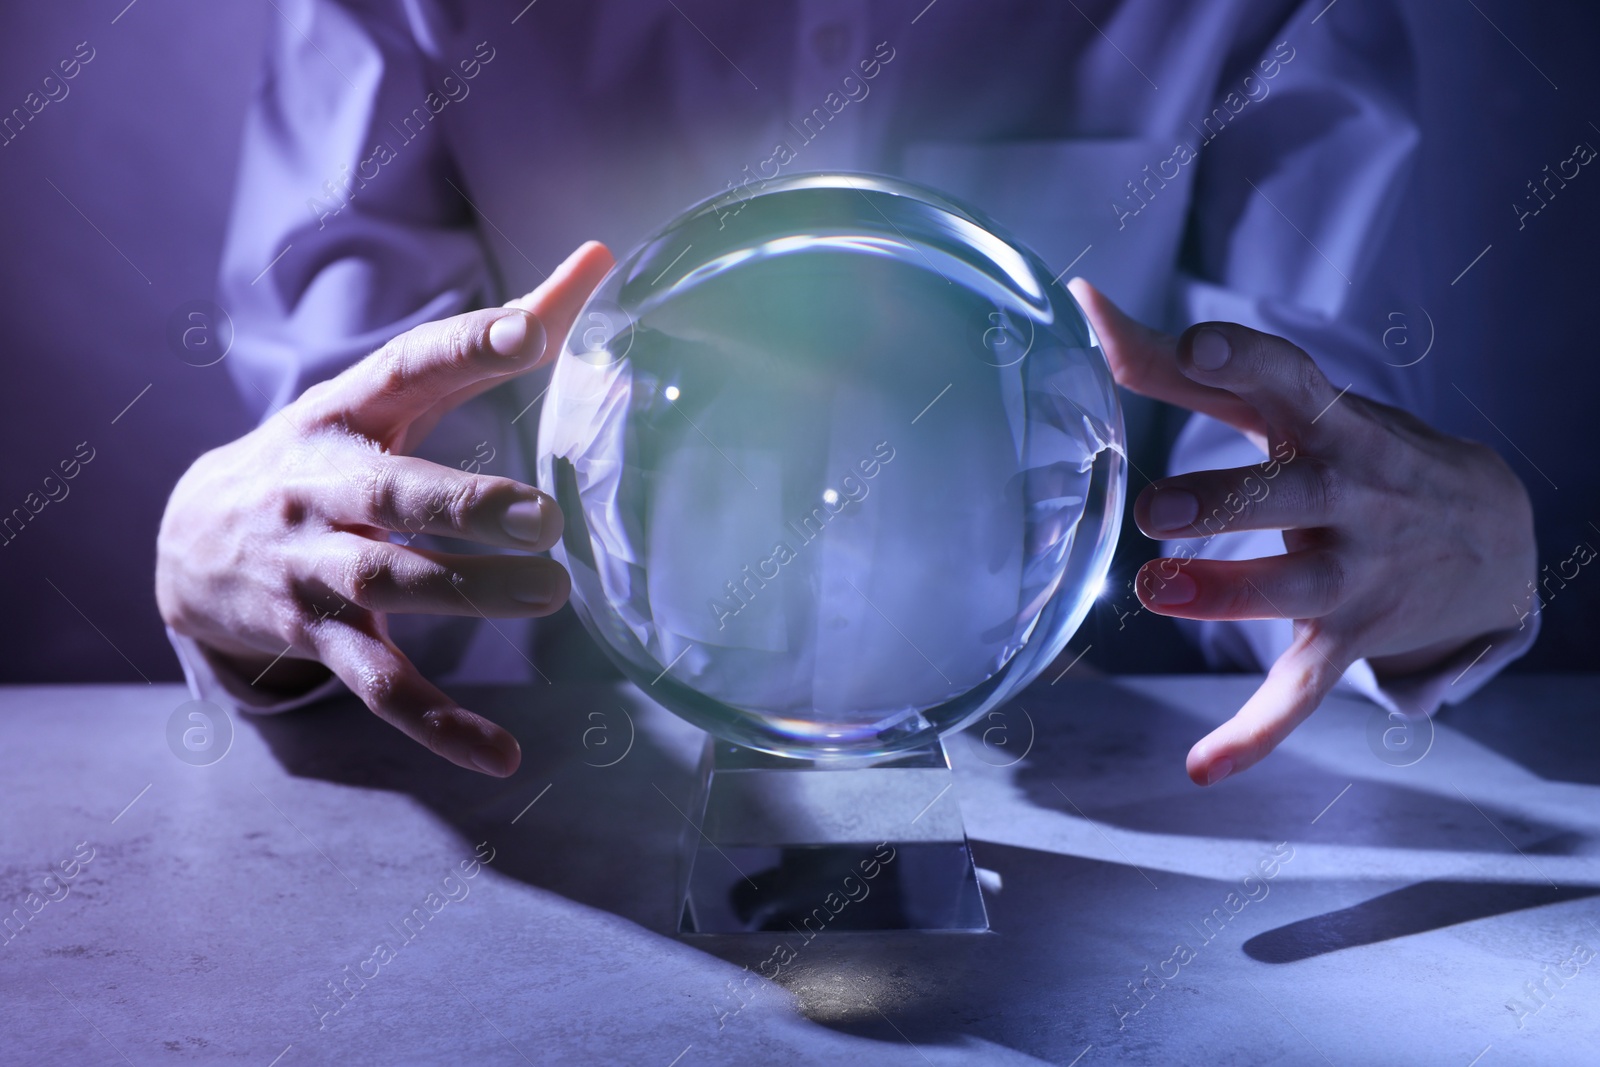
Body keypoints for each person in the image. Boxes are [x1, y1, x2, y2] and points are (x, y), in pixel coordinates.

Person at [156, 0, 1536, 784]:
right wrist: (232, 554)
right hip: (603, 787)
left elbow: (1301, 434)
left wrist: (1438, 556)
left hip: (1078, 762)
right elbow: (350, 484)